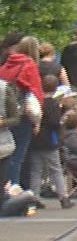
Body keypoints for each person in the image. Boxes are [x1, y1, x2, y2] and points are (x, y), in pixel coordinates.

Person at [1, 34, 46, 193]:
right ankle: (13, 190)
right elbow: (35, 93)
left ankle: (4, 189)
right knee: (17, 156)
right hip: (22, 117)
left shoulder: (6, 65)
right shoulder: (29, 65)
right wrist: (37, 120)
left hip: (5, 116)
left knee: (5, 153)